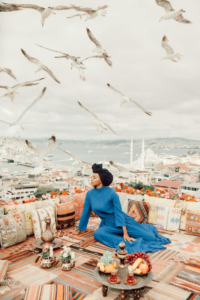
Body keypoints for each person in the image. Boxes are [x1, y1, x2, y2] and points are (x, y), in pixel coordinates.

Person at [77, 163, 171, 254]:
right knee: (97, 234)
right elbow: (85, 212)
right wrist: (80, 229)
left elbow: (119, 213)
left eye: (94, 177)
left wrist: (125, 233)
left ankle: (139, 231)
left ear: (101, 179)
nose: (91, 179)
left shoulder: (111, 193)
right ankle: (127, 243)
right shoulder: (89, 194)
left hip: (123, 222)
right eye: (91, 177)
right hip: (107, 225)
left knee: (151, 237)